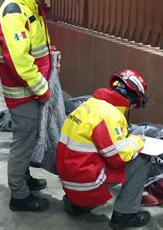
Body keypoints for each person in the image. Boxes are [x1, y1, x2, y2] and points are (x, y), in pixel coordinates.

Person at [0, 0, 60, 212]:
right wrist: (43, 89)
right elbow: (19, 60)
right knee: (23, 143)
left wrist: (50, 56)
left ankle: (24, 178)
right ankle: (19, 196)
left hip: (30, 92)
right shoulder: (14, 13)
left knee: (30, 140)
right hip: (23, 95)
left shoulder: (29, 9)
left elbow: (34, 47)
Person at [56, 69, 152, 229]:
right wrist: (137, 142)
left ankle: (76, 204)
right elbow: (118, 158)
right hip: (84, 184)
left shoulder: (90, 104)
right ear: (132, 101)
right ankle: (125, 215)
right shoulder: (111, 115)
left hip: (70, 180)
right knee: (142, 159)